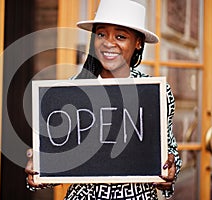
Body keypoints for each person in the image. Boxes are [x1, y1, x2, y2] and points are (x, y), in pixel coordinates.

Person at [25, 0, 182, 199]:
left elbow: (169, 151)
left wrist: (170, 170)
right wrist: (38, 168)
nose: (108, 43)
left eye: (120, 36)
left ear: (138, 42)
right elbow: (58, 161)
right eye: (101, 34)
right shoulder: (71, 91)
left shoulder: (154, 92)